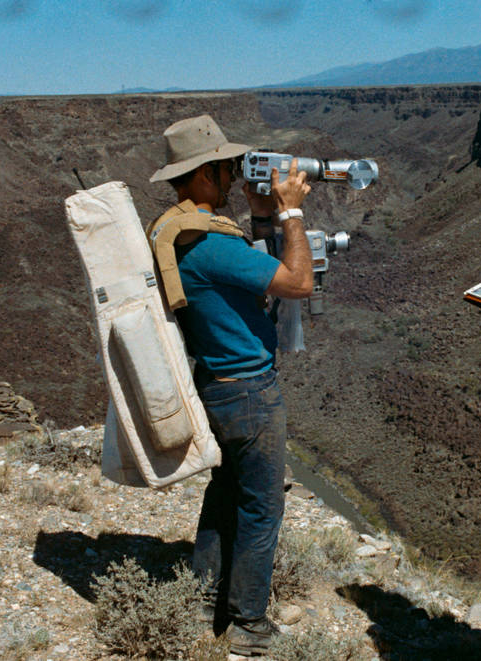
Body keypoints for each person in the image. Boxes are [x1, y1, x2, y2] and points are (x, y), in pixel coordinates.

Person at [148, 114, 313, 656]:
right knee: (262, 509)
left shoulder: (187, 232)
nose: (233, 174)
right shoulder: (210, 245)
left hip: (215, 386)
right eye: (225, 167)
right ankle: (247, 625)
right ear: (202, 175)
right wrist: (290, 211)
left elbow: (250, 267)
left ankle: (200, 603)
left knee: (224, 498)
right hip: (249, 392)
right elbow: (297, 283)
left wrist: (262, 213)